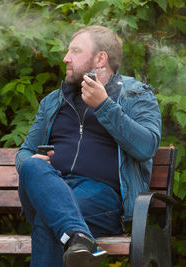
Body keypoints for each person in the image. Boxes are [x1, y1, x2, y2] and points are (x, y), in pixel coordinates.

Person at [15, 25, 161, 267]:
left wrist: (103, 105)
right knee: (30, 167)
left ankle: (74, 236)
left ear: (100, 58)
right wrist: (30, 162)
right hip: (51, 188)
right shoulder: (54, 101)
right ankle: (78, 237)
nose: (65, 58)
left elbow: (147, 146)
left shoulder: (136, 96)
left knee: (48, 221)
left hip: (102, 199)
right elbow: (24, 152)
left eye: (75, 51)